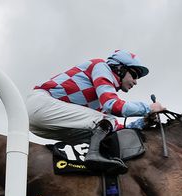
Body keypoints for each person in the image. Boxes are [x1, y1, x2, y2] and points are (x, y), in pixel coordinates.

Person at [26, 49, 165, 173]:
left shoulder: (100, 97)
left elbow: (115, 127)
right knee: (106, 121)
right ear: (119, 69)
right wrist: (149, 108)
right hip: (40, 104)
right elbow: (114, 106)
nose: (135, 82)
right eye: (134, 75)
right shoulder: (100, 66)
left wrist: (143, 122)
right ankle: (93, 156)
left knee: (107, 132)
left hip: (39, 124)